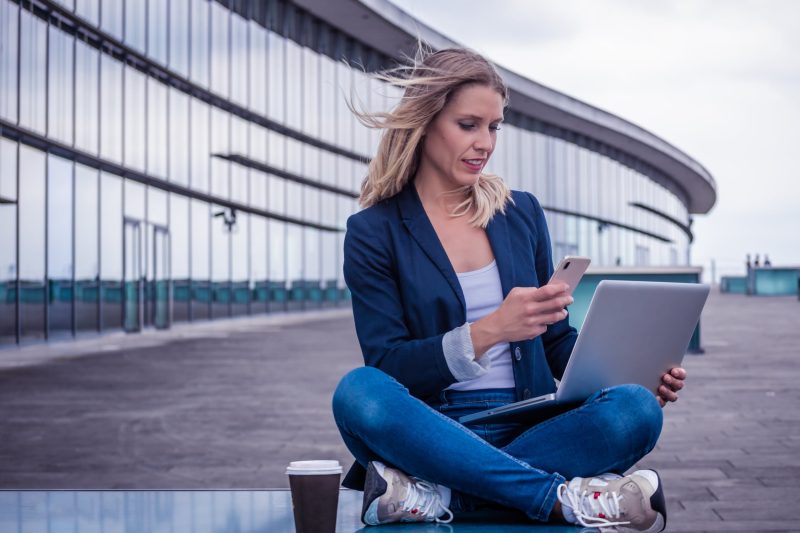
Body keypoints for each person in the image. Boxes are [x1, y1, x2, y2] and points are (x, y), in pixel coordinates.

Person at [331, 46, 685, 531]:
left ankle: (437, 492)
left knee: (638, 410)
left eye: (494, 127)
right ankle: (559, 498)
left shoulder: (520, 213)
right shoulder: (375, 230)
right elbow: (390, 366)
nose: (485, 143)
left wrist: (631, 374)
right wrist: (490, 330)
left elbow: (556, 339)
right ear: (425, 122)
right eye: (468, 124)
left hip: (536, 422)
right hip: (434, 427)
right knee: (358, 392)